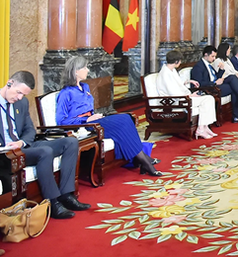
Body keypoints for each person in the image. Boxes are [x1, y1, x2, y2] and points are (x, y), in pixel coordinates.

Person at [2, 71, 89, 220]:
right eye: (18, 93)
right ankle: (53, 202)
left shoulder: (21, 103)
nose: (19, 97)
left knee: (71, 142)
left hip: (24, 146)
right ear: (9, 83)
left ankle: (66, 195)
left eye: (23, 95)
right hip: (7, 153)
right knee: (45, 151)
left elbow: (29, 129)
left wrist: (21, 142)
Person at [57, 56, 162, 177]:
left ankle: (143, 159)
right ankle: (145, 161)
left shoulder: (85, 87)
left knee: (127, 118)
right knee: (123, 120)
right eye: (85, 68)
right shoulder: (65, 93)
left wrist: (93, 115)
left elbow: (88, 109)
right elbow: (61, 121)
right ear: (76, 71)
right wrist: (86, 119)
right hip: (84, 126)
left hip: (94, 120)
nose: (88, 70)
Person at [155, 50, 218, 139]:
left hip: (182, 98)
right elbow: (172, 92)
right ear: (177, 61)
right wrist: (190, 96)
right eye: (180, 61)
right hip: (174, 101)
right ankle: (201, 128)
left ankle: (204, 127)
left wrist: (188, 81)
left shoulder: (171, 70)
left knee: (209, 99)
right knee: (207, 99)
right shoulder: (165, 73)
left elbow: (177, 84)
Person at [192, 45, 238, 123]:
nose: (214, 59)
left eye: (214, 56)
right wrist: (214, 82)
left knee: (232, 78)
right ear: (206, 55)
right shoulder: (198, 67)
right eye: (212, 56)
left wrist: (221, 70)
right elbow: (199, 84)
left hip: (216, 85)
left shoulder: (209, 65)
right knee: (234, 88)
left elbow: (216, 76)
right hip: (209, 88)